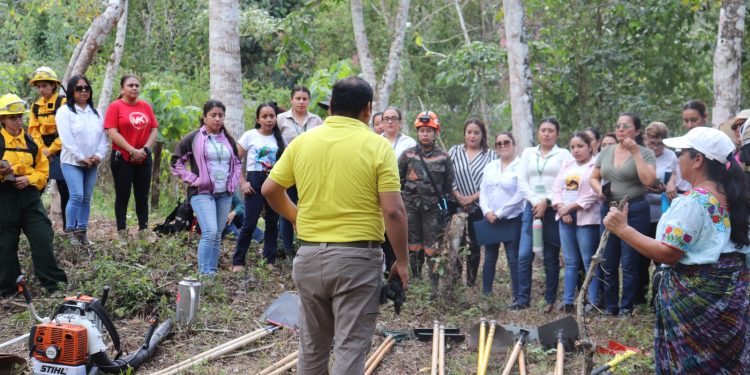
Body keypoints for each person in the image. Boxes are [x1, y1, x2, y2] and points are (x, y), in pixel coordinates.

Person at [261, 76, 409, 374]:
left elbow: (269, 190)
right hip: (358, 260)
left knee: (312, 348)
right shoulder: (378, 147)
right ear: (368, 110)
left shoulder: (303, 142)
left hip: (310, 257)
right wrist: (402, 262)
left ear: (331, 108)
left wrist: (295, 216)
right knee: (350, 348)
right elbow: (393, 211)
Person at [604, 127, 750, 374]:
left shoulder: (695, 202)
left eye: (682, 153)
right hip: (732, 294)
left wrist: (623, 230)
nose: (678, 159)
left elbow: (668, 253)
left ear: (698, 159)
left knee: (695, 362)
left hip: (697, 301)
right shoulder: (736, 196)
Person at [0, 94, 67, 296]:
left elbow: (43, 169)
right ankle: (8, 289)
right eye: (13, 117)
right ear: (2, 119)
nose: (18, 121)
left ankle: (54, 286)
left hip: (30, 197)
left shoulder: (31, 141)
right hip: (4, 199)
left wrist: (29, 180)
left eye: (20, 116)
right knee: (5, 244)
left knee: (42, 237)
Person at [590, 112, 655, 316]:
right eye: (618, 125)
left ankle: (626, 306)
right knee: (608, 259)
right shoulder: (606, 151)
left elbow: (648, 181)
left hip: (634, 210)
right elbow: (594, 177)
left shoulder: (645, 153)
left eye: (626, 126)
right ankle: (610, 307)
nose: (620, 129)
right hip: (609, 209)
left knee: (629, 261)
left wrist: (634, 151)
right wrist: (599, 190)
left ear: (636, 131)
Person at [171, 100, 241, 276]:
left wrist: (232, 183)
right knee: (209, 231)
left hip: (224, 194)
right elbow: (176, 162)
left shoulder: (228, 140)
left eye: (221, 115)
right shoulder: (194, 138)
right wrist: (194, 179)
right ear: (204, 117)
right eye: (213, 115)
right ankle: (203, 274)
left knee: (217, 234)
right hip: (201, 193)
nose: (217, 119)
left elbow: (238, 162)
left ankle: (212, 273)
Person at [516, 117, 572, 312]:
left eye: (550, 130)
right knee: (524, 255)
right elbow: (521, 180)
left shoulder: (563, 154)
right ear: (537, 133)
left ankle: (549, 300)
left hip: (553, 209)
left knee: (550, 257)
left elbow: (564, 181)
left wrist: (546, 201)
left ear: (557, 134)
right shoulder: (528, 153)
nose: (546, 134)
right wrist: (535, 201)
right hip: (531, 209)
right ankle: (522, 300)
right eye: (543, 130)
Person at [399, 111, 455, 291]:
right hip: (410, 208)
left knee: (433, 247)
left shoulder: (444, 157)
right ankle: (415, 282)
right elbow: (397, 179)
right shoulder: (407, 155)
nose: (425, 134)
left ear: (435, 132)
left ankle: (433, 285)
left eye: (429, 131)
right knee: (413, 246)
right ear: (417, 132)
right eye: (422, 130)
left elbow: (448, 184)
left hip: (433, 210)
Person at [55, 75, 109, 246]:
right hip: (72, 162)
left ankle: (82, 232)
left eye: (86, 87)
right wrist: (81, 157)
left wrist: (98, 156)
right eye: (79, 88)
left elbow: (103, 138)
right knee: (76, 195)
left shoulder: (96, 112)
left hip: (92, 162)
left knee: (86, 197)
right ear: (72, 91)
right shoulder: (65, 112)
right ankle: (70, 231)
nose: (84, 91)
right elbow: (67, 139)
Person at [232, 102, 285, 272]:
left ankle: (269, 261)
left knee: (272, 223)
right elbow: (235, 161)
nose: (269, 120)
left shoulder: (279, 138)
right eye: (265, 116)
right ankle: (238, 261)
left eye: (272, 116)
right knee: (250, 222)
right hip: (254, 182)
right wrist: (243, 182)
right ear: (258, 119)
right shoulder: (250, 135)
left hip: (274, 182)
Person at [551, 132, 601, 312]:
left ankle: (593, 301)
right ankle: (568, 300)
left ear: (590, 146)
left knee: (589, 261)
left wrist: (570, 207)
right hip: (565, 219)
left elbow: (593, 195)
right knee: (570, 262)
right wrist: (560, 208)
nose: (576, 150)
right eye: (572, 147)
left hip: (586, 219)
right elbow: (556, 188)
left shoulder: (595, 165)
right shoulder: (567, 165)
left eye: (580, 146)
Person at [104, 74, 158, 241]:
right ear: (122, 89)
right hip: (122, 158)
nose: (134, 88)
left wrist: (145, 149)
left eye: (136, 85)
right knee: (123, 195)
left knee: (142, 195)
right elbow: (111, 131)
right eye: (130, 85)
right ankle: (122, 232)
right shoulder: (115, 107)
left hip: (144, 157)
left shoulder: (145, 106)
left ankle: (143, 230)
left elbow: (154, 129)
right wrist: (132, 150)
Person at [277, 86, 323, 258]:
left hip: (310, 171)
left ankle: (307, 247)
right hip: (288, 169)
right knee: (287, 207)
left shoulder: (317, 121)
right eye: (298, 98)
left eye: (305, 99)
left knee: (308, 208)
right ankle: (287, 250)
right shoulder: (281, 119)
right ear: (291, 100)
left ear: (308, 101)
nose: (301, 102)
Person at [448, 118, 495, 287]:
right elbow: (448, 175)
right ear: (464, 134)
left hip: (479, 205)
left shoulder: (490, 155)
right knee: (457, 242)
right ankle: (454, 280)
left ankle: (471, 281)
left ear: (483, 135)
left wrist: (472, 198)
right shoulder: (454, 151)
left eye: (476, 132)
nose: (472, 136)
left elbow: (492, 182)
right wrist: (459, 196)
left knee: (475, 244)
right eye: (469, 132)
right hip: (456, 204)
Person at [479, 132, 524, 298]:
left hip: (511, 218)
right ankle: (486, 294)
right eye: (499, 143)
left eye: (506, 142)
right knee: (490, 257)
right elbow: (483, 190)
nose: (503, 145)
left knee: (513, 258)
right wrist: (487, 211)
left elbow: (520, 194)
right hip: (490, 219)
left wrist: (500, 212)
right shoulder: (491, 166)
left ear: (514, 144)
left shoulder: (521, 166)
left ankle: (518, 296)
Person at [27, 67, 69, 230]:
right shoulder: (35, 106)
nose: (41, 89)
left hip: (62, 150)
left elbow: (66, 130)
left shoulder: (62, 103)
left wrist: (51, 149)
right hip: (41, 152)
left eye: (44, 85)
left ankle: (68, 227)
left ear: (53, 85)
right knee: (37, 186)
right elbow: (33, 130)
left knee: (65, 189)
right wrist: (42, 150)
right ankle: (33, 223)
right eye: (39, 86)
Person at [640, 122, 677, 306]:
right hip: (642, 210)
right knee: (640, 257)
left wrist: (662, 188)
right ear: (646, 141)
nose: (655, 148)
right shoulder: (641, 155)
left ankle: (658, 297)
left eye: (659, 144)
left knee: (659, 257)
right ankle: (640, 296)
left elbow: (675, 185)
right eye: (652, 143)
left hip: (663, 213)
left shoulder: (672, 157)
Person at [381, 106, 416, 274]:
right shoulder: (375, 141)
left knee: (401, 230)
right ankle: (387, 269)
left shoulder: (409, 143)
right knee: (384, 233)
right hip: (381, 194)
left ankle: (402, 269)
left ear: (400, 122)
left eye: (393, 118)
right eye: (386, 118)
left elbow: (415, 170)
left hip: (404, 194)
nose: (390, 121)